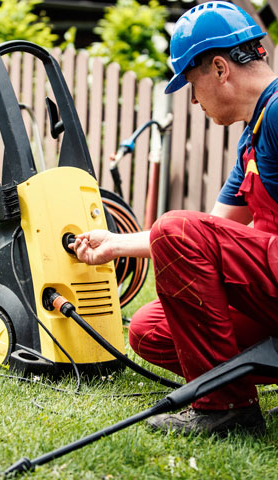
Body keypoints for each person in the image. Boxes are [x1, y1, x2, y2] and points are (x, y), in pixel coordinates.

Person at [72, 0, 278, 436]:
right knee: (150, 331)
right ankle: (230, 395)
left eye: (191, 81)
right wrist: (114, 244)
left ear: (220, 68)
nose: (192, 98)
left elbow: (185, 233)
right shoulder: (254, 132)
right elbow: (213, 231)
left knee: (175, 226)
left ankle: (225, 408)